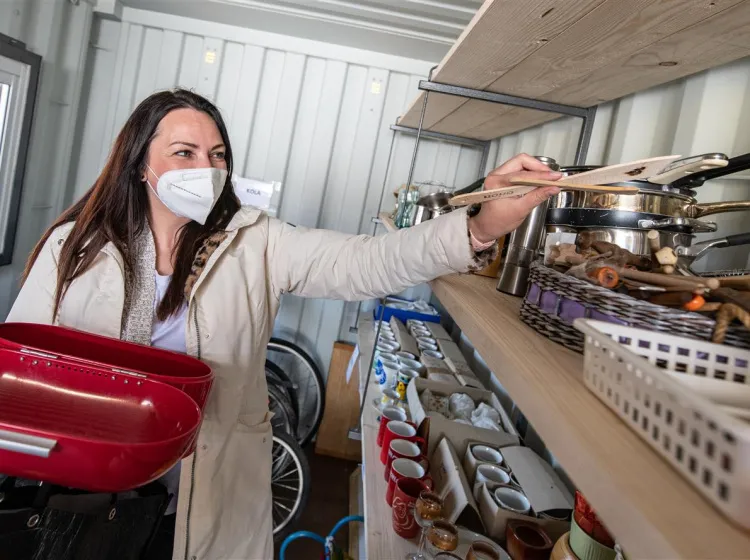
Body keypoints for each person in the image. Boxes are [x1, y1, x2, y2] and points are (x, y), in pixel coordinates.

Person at [7, 88, 561, 559]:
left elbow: (366, 262)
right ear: (139, 164)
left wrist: (480, 225)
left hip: (200, 496)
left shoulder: (256, 241)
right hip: (80, 491)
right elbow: (19, 378)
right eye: (184, 153)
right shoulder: (75, 248)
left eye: (217, 155)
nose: (206, 169)